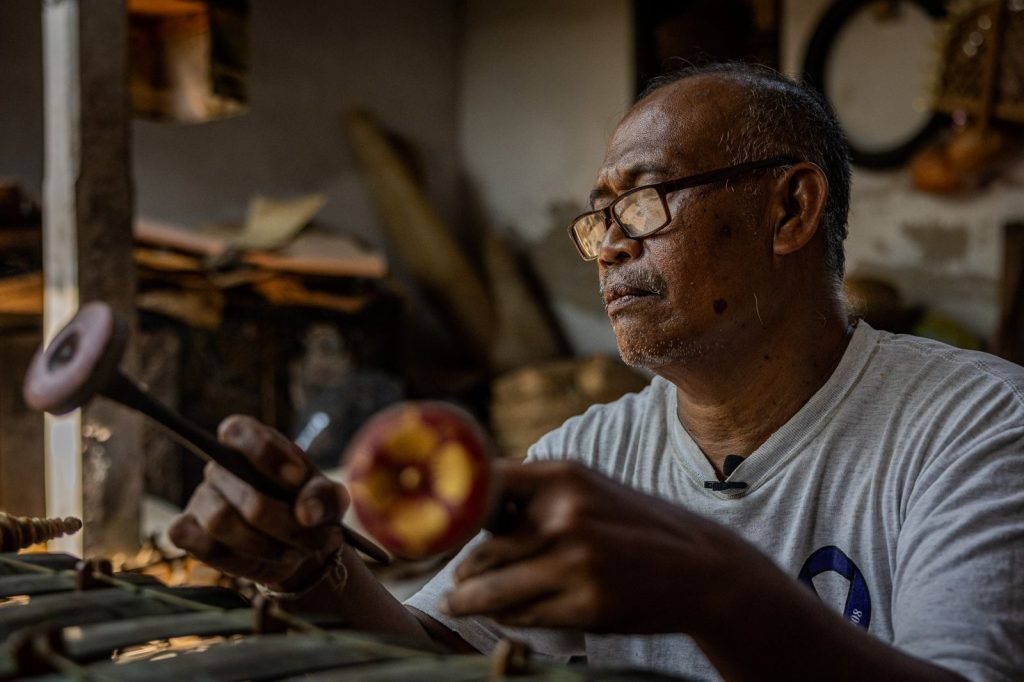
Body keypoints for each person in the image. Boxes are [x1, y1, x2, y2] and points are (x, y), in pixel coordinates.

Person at [169, 63, 1024, 681]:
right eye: (601, 214)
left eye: (647, 199)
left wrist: (713, 589)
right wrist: (316, 568)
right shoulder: (593, 447)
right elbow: (445, 657)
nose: (610, 243)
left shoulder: (975, 424)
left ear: (790, 208)